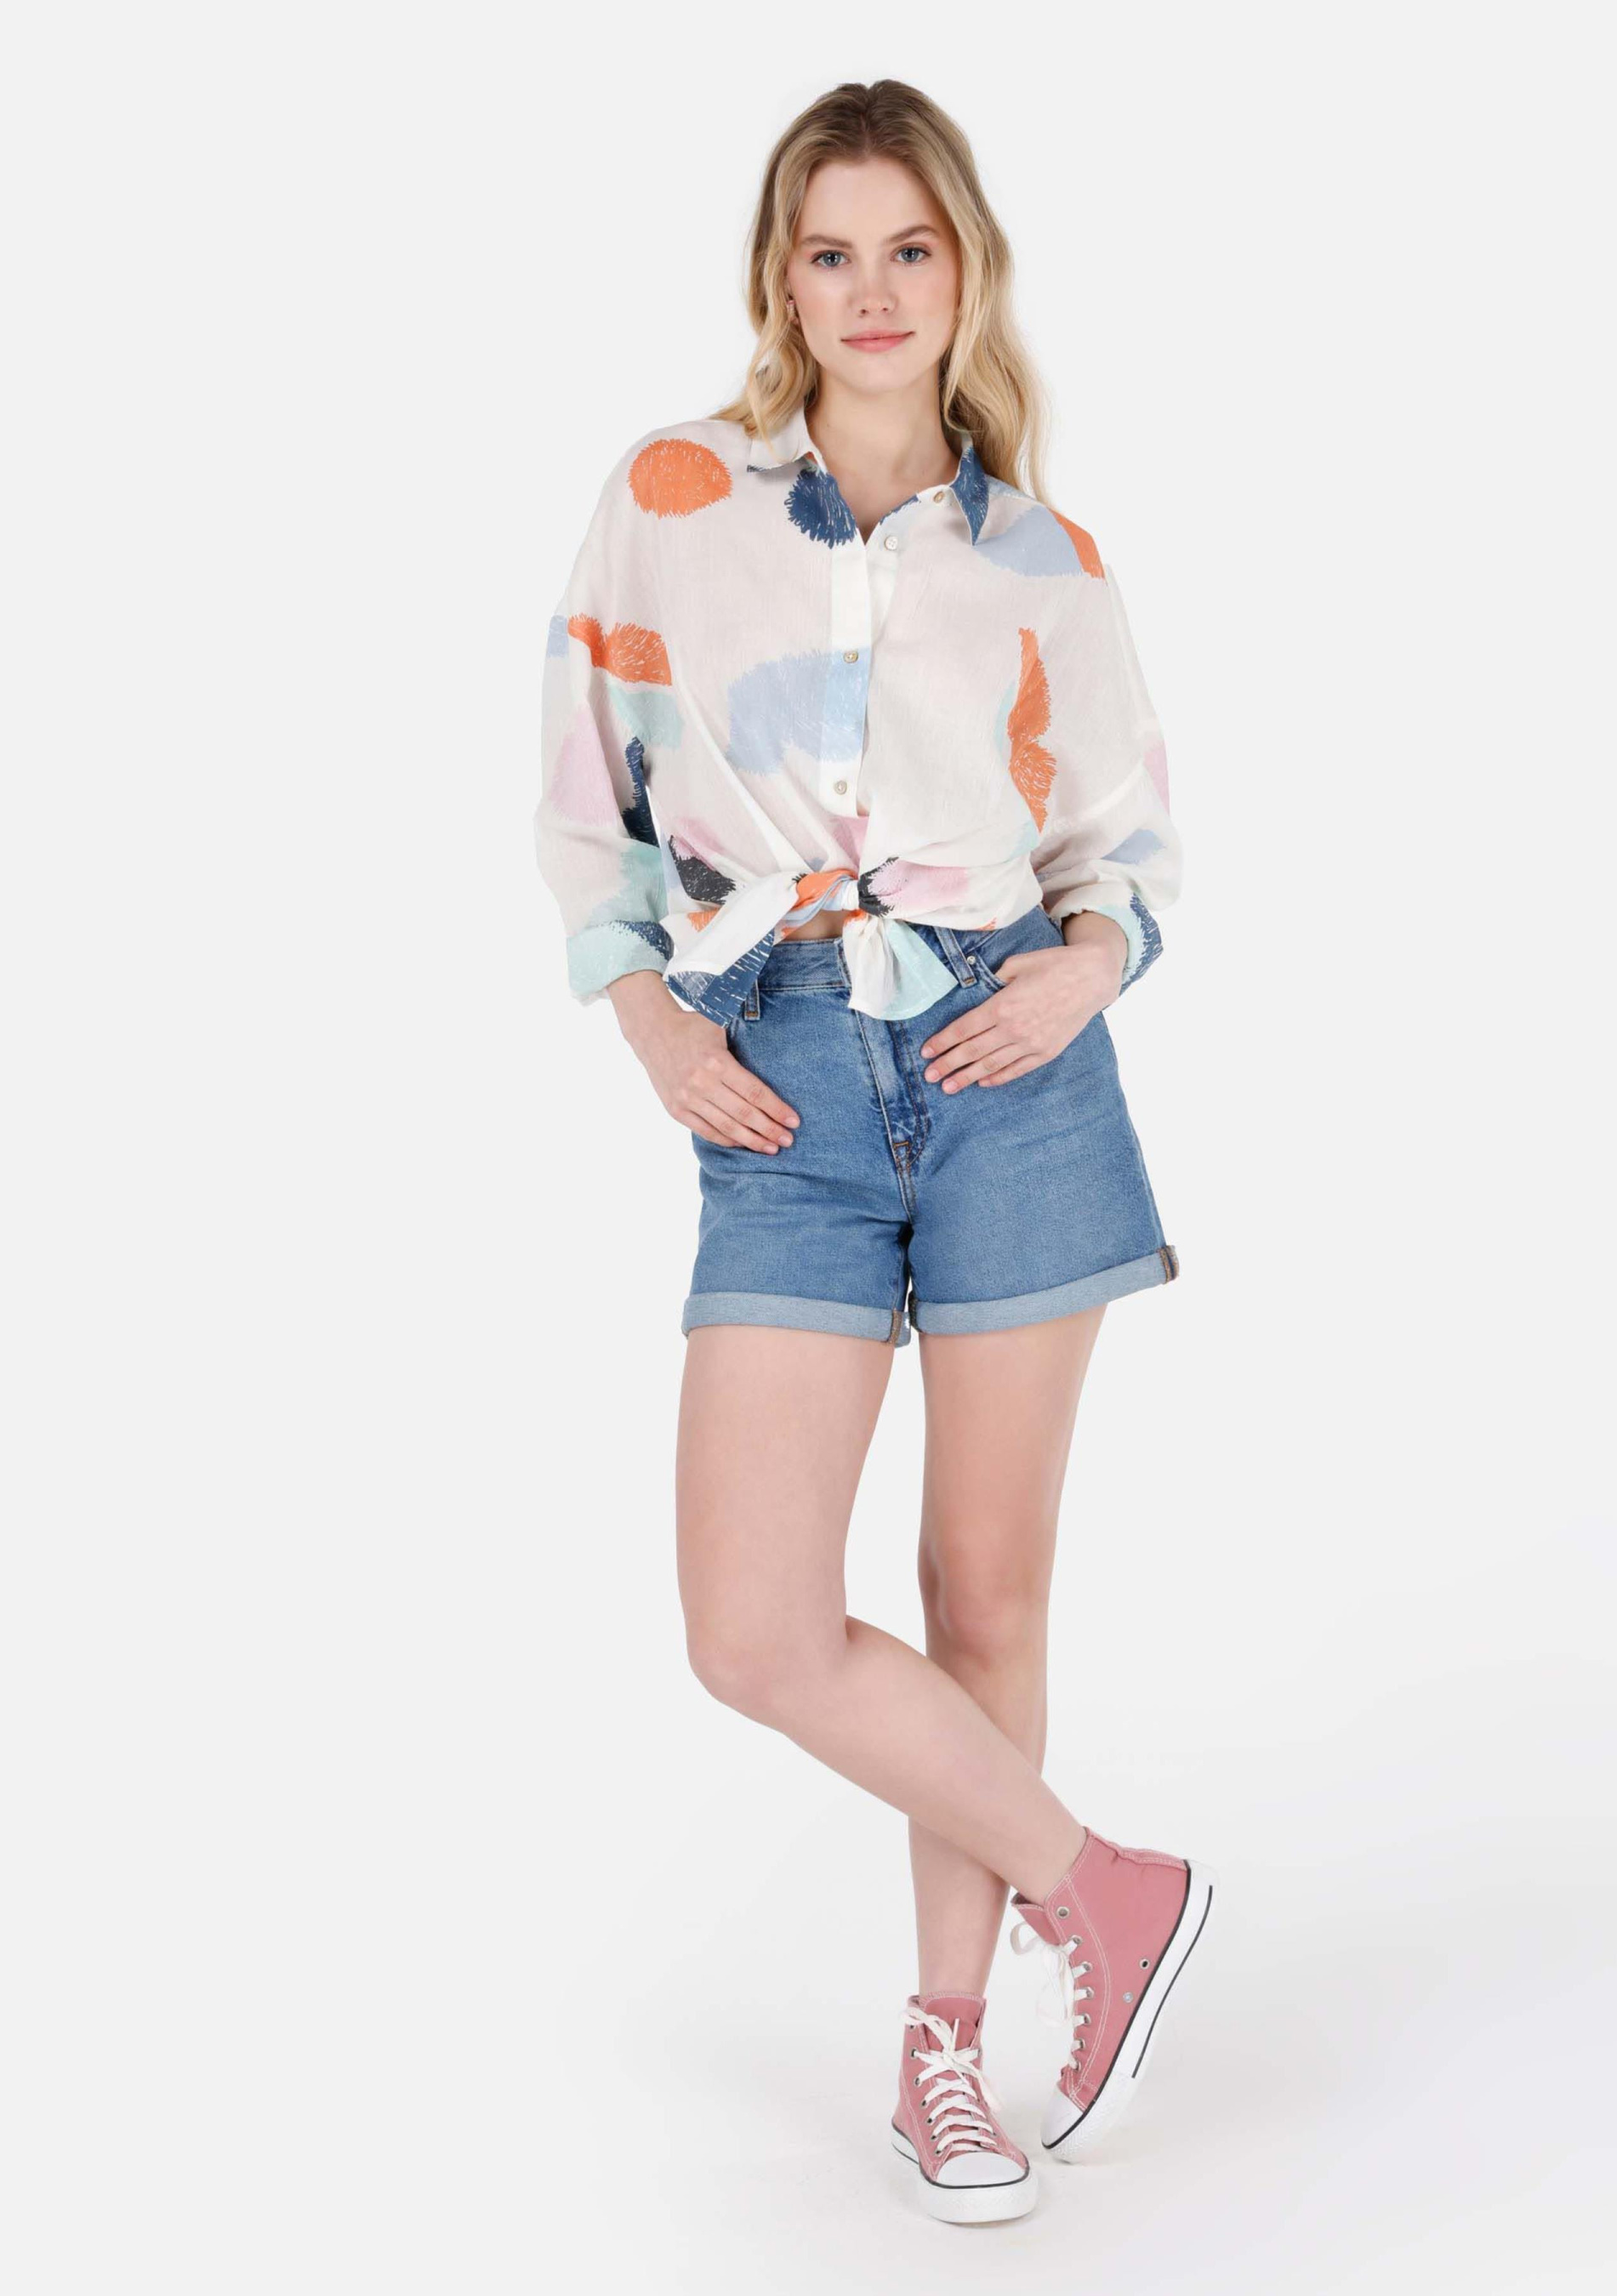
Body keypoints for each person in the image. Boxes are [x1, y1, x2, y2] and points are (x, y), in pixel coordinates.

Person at [535, 78, 1213, 2225]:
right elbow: (585, 804)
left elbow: (1124, 856)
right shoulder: (671, 501)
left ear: (963, 270)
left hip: (1014, 1067)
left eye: (906, 249)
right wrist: (651, 1024)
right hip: (784, 1082)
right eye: (828, 252)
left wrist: (1084, 974)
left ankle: (949, 2049)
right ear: (780, 277)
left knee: (977, 1590)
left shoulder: (1044, 562)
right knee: (751, 1626)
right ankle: (1103, 1890)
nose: (869, 290)